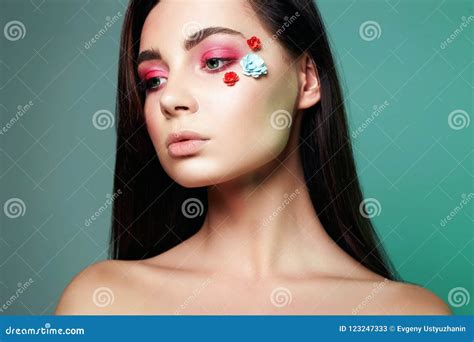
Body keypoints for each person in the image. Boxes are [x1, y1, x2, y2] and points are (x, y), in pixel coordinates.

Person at [55, 0, 451, 315]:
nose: (171, 99)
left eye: (214, 61)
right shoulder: (102, 303)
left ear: (306, 78)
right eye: (154, 80)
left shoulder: (410, 319)